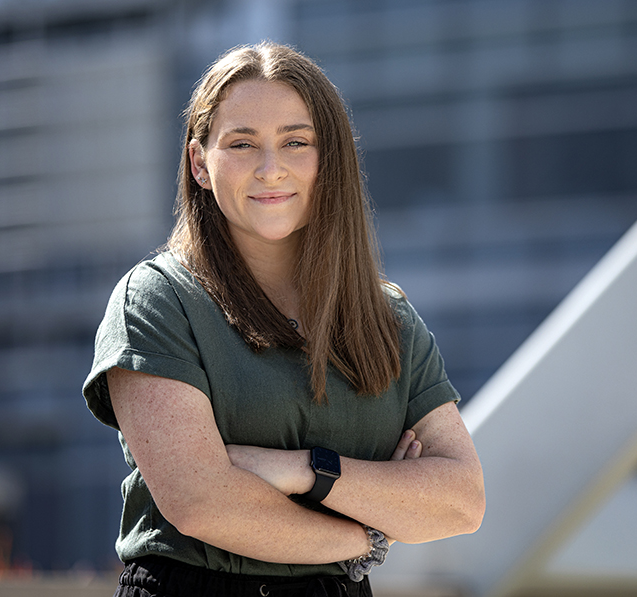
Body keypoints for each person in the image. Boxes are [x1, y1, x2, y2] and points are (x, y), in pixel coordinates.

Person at [82, 41, 485, 597]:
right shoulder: (157, 301)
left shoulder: (386, 317)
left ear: (329, 160)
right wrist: (368, 531)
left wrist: (306, 470)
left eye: (296, 142)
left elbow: (460, 501)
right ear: (201, 163)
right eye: (243, 144)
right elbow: (201, 504)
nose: (271, 169)